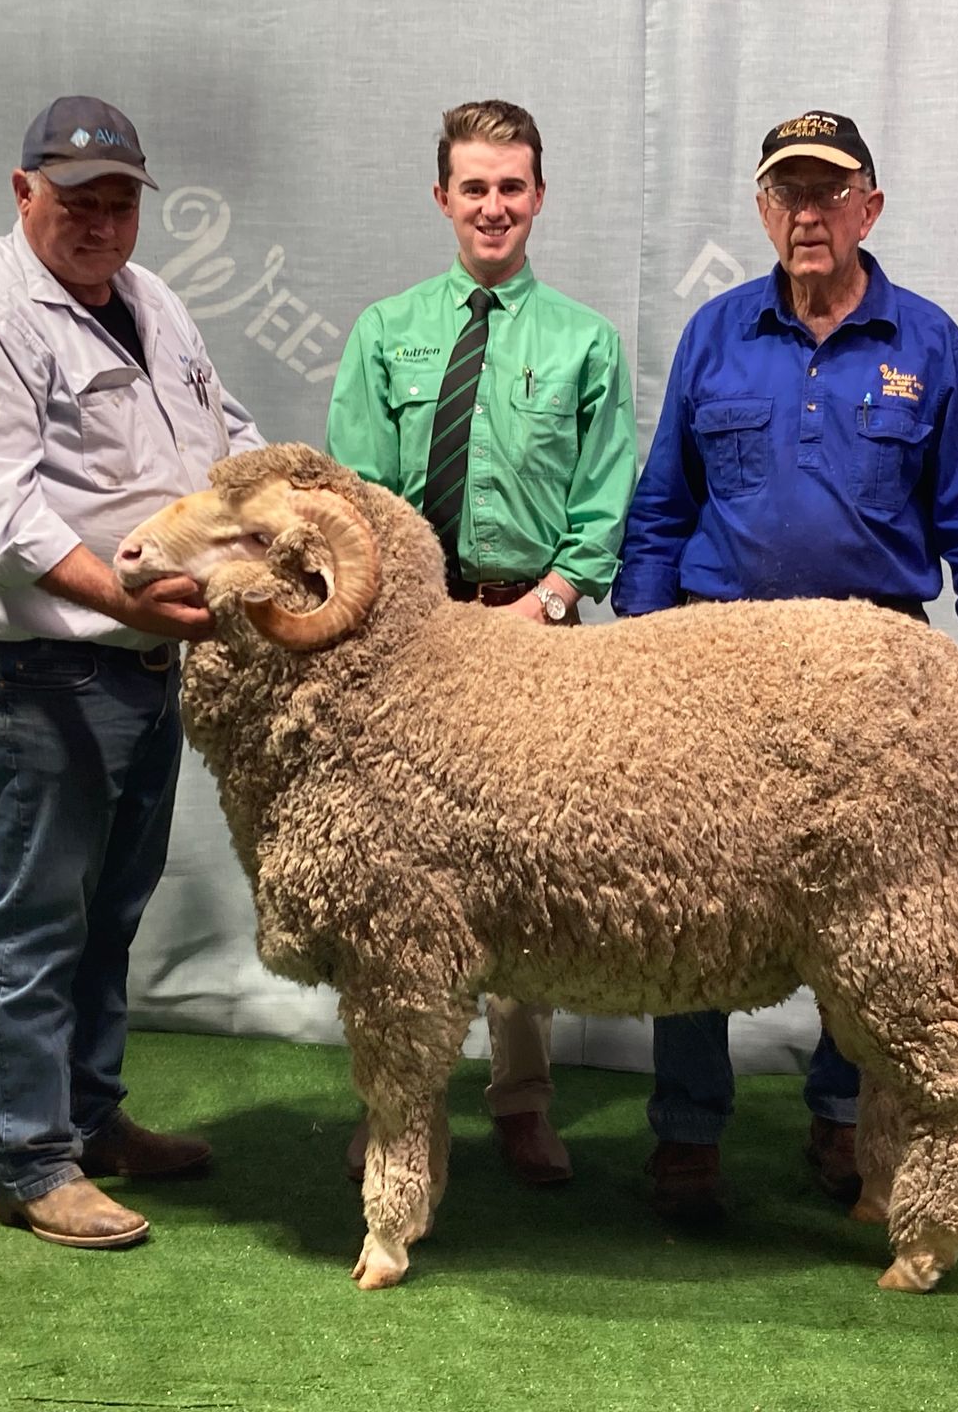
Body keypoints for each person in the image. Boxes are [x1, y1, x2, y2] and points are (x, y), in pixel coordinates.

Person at [611, 109, 958, 1221]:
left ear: (869, 208)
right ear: (763, 211)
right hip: (716, 668)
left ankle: (844, 1120)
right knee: (685, 895)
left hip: (872, 677)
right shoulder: (715, 334)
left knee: (874, 906)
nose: (807, 213)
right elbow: (659, 514)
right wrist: (645, 658)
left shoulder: (927, 343)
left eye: (828, 191)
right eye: (786, 193)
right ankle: (689, 1130)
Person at [0, 95, 263, 1248]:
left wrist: (298, 501)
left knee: (109, 910)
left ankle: (90, 1117)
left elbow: (222, 439)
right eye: (76, 200)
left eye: (119, 201)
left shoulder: (152, 304)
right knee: (38, 921)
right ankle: (24, 1161)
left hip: (150, 664)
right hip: (38, 673)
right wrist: (122, 598)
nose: (102, 222)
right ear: (25, 195)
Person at [326, 99, 639, 1186]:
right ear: (443, 198)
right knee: (398, 887)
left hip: (536, 631)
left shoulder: (586, 344)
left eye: (513, 186)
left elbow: (606, 510)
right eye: (475, 186)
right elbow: (355, 501)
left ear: (539, 196)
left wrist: (544, 604)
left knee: (524, 871)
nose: (494, 205)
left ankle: (521, 1099)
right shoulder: (385, 332)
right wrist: (408, 621)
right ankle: (401, 1105)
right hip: (410, 638)